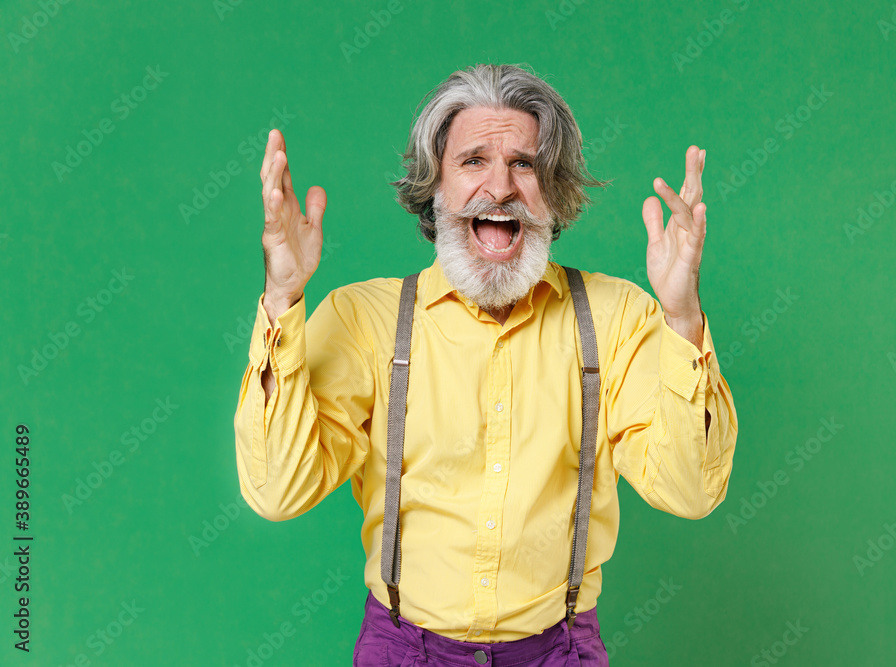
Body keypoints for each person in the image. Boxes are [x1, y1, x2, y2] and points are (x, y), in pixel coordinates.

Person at [234, 63, 738, 666]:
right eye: (473, 161)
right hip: (405, 650)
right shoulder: (363, 320)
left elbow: (690, 492)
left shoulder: (617, 317)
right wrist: (283, 296)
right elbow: (277, 491)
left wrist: (682, 317)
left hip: (560, 650)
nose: (499, 187)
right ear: (436, 187)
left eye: (523, 164)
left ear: (551, 189)